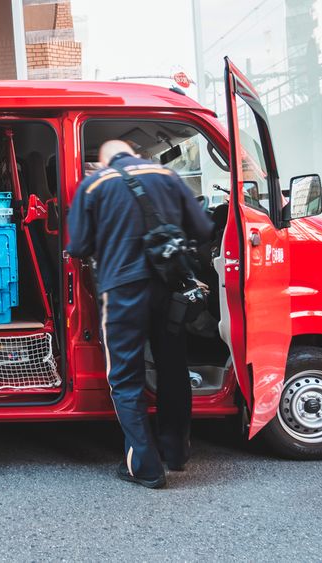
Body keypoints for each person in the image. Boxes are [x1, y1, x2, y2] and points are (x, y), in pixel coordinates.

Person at [66, 140, 213, 489]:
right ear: (134, 152)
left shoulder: (94, 185)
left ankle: (145, 466)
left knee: (125, 379)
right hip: (169, 288)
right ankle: (175, 453)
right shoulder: (166, 174)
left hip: (122, 293)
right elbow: (203, 228)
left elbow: (78, 246)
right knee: (173, 369)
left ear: (103, 159)